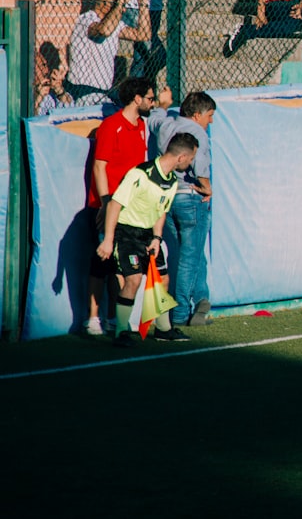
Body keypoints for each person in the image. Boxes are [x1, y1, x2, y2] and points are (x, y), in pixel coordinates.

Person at [97, 132, 199, 347]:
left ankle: (164, 329)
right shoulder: (140, 174)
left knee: (162, 279)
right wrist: (108, 240)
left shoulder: (171, 182)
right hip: (126, 234)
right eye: (190, 159)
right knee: (133, 280)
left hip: (148, 236)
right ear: (181, 157)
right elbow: (115, 205)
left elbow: (160, 212)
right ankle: (121, 332)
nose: (191, 163)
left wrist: (157, 238)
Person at [81, 76, 161, 336]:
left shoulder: (141, 126)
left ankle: (116, 316)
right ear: (136, 99)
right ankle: (93, 318)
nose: (153, 102)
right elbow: (99, 166)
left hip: (130, 209)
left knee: (122, 265)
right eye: (149, 98)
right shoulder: (111, 126)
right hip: (107, 205)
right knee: (101, 262)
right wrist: (105, 202)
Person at [154, 91, 218, 328]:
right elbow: (200, 164)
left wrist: (162, 106)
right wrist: (207, 187)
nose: (210, 121)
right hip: (190, 198)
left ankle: (201, 299)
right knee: (189, 258)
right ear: (196, 115)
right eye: (208, 116)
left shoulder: (166, 126)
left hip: (168, 199)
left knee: (191, 253)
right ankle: (181, 312)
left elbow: (155, 120)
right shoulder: (196, 132)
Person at [65, 0, 151, 104]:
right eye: (121, 5)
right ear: (106, 5)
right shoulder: (86, 19)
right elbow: (104, 31)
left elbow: (143, 35)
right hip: (82, 89)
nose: (124, 9)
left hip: (103, 91)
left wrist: (142, 3)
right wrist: (119, 4)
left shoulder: (114, 24)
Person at [35, 42, 73, 115]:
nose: (46, 70)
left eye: (47, 65)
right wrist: (39, 98)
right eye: (42, 65)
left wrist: (60, 92)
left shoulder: (52, 92)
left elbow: (71, 112)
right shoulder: (25, 93)